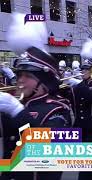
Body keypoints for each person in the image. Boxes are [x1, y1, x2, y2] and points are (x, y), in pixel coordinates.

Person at [0, 12, 71, 180]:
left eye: (28, 76)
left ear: (44, 82)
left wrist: (17, 111)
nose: (20, 81)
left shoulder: (59, 109)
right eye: (19, 75)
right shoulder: (19, 104)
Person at [62, 39, 92, 180]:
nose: (83, 72)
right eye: (83, 69)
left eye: (86, 69)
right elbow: (68, 99)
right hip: (80, 128)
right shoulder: (80, 85)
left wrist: (78, 85)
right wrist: (63, 84)